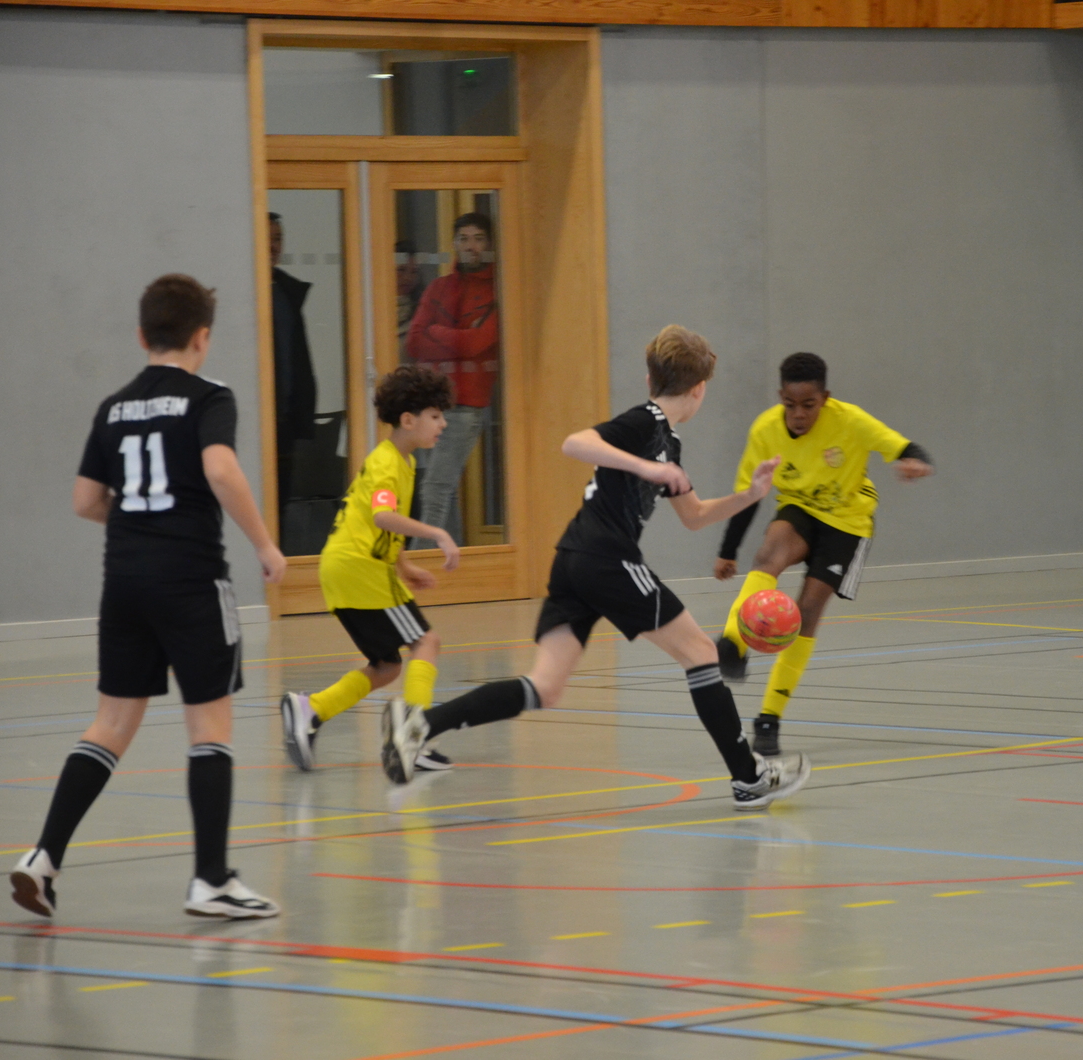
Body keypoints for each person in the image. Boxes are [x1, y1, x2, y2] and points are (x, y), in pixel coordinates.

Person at [381, 326, 811, 812]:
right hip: (606, 557)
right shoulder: (645, 422)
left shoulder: (667, 442)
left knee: (545, 686)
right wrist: (645, 468)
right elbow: (575, 443)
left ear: (649, 376)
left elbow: (694, 516)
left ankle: (419, 725)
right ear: (699, 389)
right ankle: (749, 776)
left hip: (575, 560)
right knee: (701, 653)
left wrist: (749, 495)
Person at [9, 275, 288, 920]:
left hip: (125, 583)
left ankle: (44, 857)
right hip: (191, 581)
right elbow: (220, 469)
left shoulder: (113, 406)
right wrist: (266, 545)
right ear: (203, 338)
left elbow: (85, 501)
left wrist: (140, 519)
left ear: (142, 335)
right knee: (209, 727)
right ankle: (211, 881)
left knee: (109, 725)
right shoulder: (209, 397)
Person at [715, 353, 934, 756]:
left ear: (825, 398)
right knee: (768, 555)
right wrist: (727, 551)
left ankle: (769, 718)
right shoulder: (765, 430)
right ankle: (733, 645)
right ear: (780, 397)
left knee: (808, 610)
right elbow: (748, 495)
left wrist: (916, 462)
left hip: (847, 523)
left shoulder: (851, 421)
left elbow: (904, 446)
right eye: (790, 405)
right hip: (799, 509)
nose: (799, 415)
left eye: (809, 405)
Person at [279, 365, 461, 772]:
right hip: (361, 569)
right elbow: (382, 516)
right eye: (435, 416)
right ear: (408, 420)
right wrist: (437, 533)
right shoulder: (387, 463)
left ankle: (311, 709)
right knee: (426, 643)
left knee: (387, 666)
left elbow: (372, 523)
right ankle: (412, 737)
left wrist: (404, 563)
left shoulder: (401, 462)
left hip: (344, 569)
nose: (443, 424)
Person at [405, 211, 499, 547]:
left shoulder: (498, 290)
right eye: (464, 239)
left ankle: (422, 561)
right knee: (443, 488)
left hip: (467, 405)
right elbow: (414, 341)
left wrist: (437, 332)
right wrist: (457, 337)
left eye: (478, 239)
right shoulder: (439, 287)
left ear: (489, 244)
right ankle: (450, 564)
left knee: (435, 488)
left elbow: (477, 344)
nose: (471, 246)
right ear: (455, 244)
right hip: (431, 404)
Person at [269, 213, 318, 517]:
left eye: (278, 238)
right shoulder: (246, 292)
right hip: (257, 418)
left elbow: (297, 358)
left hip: (285, 420)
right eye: (266, 238)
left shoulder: (286, 292)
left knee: (281, 505)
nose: (273, 246)